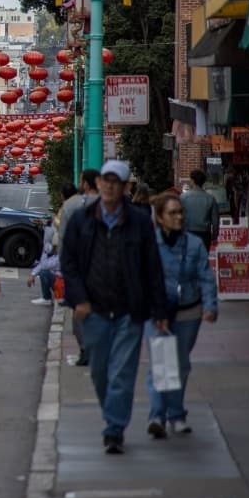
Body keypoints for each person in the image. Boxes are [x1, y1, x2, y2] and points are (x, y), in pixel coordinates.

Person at [60, 160, 169, 455]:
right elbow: (68, 263)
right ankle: (113, 416)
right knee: (99, 372)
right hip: (93, 311)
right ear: (98, 184)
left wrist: (159, 310)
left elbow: (152, 268)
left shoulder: (140, 222)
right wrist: (78, 299)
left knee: (122, 372)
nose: (109, 186)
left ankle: (114, 429)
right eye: (105, 180)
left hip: (128, 312)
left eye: (115, 181)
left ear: (123, 187)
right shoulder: (82, 220)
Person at [145, 193, 219, 438]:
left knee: (179, 364)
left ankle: (175, 414)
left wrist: (210, 306)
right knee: (161, 362)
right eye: (172, 213)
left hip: (189, 311)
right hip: (158, 312)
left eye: (180, 212)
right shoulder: (150, 245)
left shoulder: (194, 244)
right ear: (159, 217)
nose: (178, 217)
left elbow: (205, 276)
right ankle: (158, 415)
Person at [58, 170, 100, 366]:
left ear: (85, 184)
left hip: (79, 269)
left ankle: (85, 348)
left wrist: (63, 269)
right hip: (106, 268)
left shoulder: (70, 205)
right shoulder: (114, 204)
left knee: (79, 311)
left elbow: (64, 241)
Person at [180, 169, 220, 246]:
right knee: (203, 257)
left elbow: (179, 216)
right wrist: (215, 235)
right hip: (204, 234)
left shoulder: (183, 197)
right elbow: (215, 220)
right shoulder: (210, 198)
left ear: (192, 181)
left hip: (188, 232)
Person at [27, 222, 61, 306]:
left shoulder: (62, 253)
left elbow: (45, 265)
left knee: (44, 273)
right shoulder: (50, 248)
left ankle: (47, 298)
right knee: (43, 272)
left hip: (65, 282)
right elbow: (42, 263)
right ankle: (47, 298)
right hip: (59, 279)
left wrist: (47, 252)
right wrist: (32, 274)